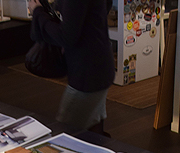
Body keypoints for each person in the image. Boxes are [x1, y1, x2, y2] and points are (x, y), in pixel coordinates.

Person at [26, 0, 115, 135]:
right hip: (99, 64)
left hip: (87, 72)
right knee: (92, 128)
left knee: (65, 133)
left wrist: (37, 12)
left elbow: (66, 37)